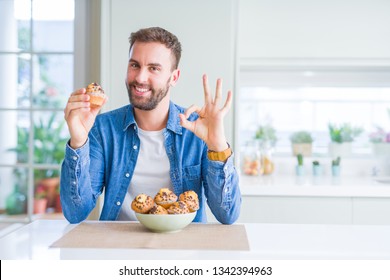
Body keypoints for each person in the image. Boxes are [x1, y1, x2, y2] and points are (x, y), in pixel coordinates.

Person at [61, 27, 241, 224]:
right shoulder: (103, 129)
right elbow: (75, 213)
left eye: (153, 68)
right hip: (118, 248)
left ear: (174, 77)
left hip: (183, 249)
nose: (140, 78)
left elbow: (228, 215)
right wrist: (78, 142)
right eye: (135, 65)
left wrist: (218, 146)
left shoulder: (197, 131)